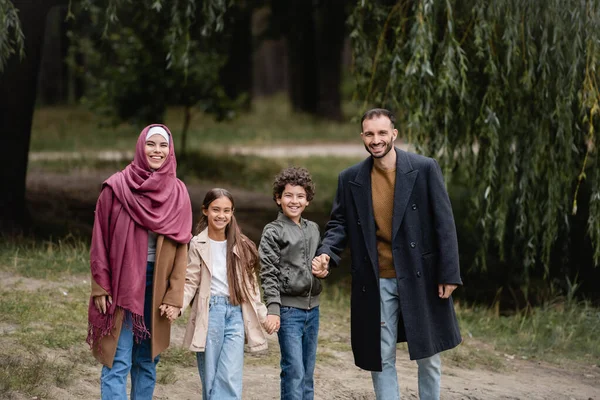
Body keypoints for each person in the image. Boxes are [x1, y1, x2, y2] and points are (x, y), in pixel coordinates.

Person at [312, 108, 462, 400]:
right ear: (363, 137)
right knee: (381, 357)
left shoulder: (424, 168)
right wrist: (327, 252)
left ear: (394, 134)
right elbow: (339, 224)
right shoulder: (351, 178)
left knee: (429, 357)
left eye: (382, 133)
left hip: (422, 277)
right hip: (376, 279)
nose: (376, 139)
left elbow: (444, 223)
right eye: (370, 133)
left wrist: (449, 273)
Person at [86, 124, 192, 400]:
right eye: (151, 144)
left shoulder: (178, 193)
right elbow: (100, 239)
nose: (157, 151)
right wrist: (100, 285)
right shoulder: (116, 187)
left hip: (156, 286)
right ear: (140, 147)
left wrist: (174, 295)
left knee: (147, 360)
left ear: (170, 151)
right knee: (117, 360)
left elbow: (182, 248)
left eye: (163, 146)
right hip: (122, 284)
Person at [167, 188, 269, 400]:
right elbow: (190, 281)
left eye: (226, 210)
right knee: (212, 377)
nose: (221, 215)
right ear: (205, 211)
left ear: (232, 213)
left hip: (236, 314)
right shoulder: (197, 243)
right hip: (210, 313)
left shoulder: (242, 245)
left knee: (230, 375)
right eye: (215, 210)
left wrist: (262, 315)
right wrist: (177, 305)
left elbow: (251, 287)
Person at [259, 167, 324, 400]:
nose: (294, 201)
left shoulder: (313, 229)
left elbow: (316, 264)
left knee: (307, 372)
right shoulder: (273, 231)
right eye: (288, 195)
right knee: (293, 370)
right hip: (288, 312)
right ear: (278, 198)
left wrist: (322, 270)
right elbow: (268, 272)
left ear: (307, 200)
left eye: (300, 196)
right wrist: (273, 309)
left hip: (312, 310)